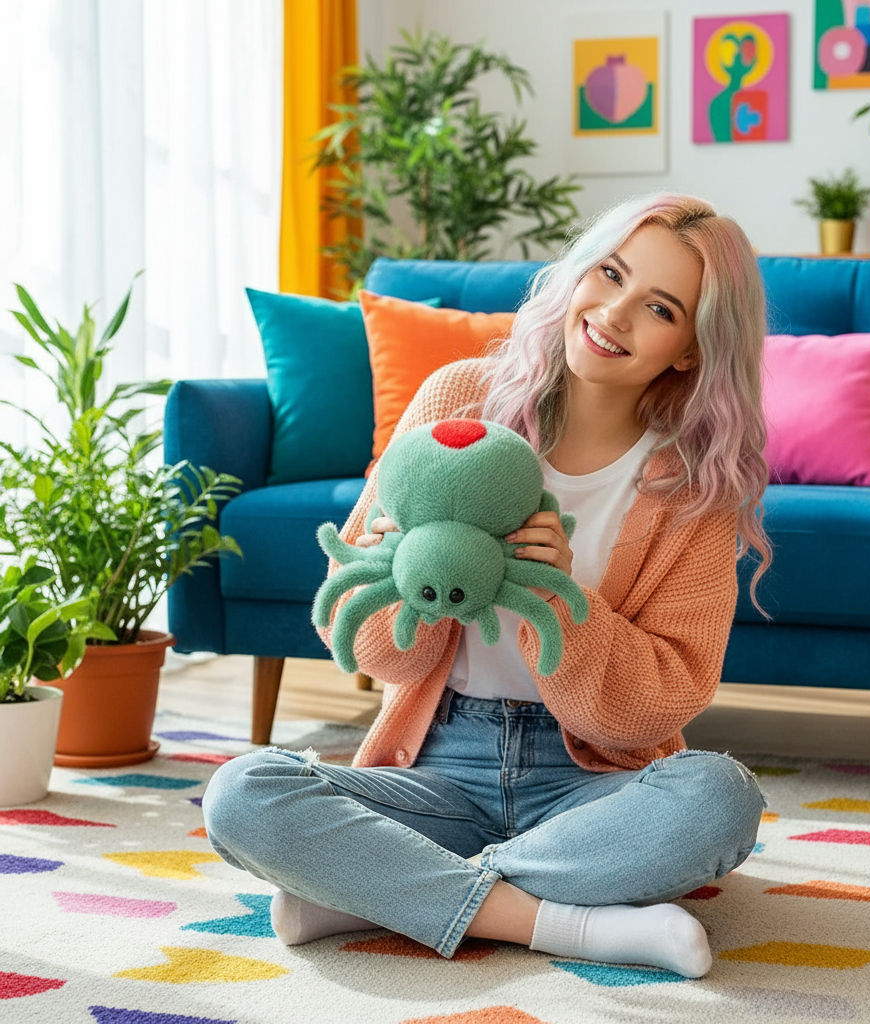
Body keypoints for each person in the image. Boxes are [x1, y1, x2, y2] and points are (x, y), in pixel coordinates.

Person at [203, 192, 771, 979]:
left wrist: (560, 603)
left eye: (660, 307)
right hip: (438, 768)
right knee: (240, 794)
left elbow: (667, 696)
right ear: (580, 272)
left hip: (595, 781)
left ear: (689, 348)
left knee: (721, 798)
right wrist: (423, 561)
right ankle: (562, 921)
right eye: (609, 273)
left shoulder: (697, 486)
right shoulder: (459, 402)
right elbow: (371, 645)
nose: (613, 312)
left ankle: (372, 892)